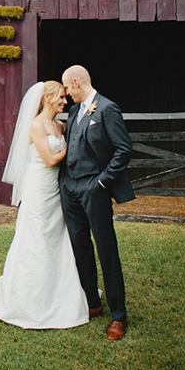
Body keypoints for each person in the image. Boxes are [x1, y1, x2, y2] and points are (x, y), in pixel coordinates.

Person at [0, 81, 89, 329]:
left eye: (66, 97)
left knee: (56, 235)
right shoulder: (36, 125)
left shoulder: (59, 125)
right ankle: (28, 297)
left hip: (56, 189)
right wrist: (73, 146)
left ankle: (59, 290)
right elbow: (51, 159)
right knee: (36, 235)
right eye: (61, 98)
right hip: (38, 187)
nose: (65, 102)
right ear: (46, 97)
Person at [60, 65, 135, 341]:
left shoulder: (107, 109)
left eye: (67, 88)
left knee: (106, 249)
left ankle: (119, 315)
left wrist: (102, 182)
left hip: (95, 188)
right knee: (80, 246)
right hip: (70, 189)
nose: (66, 94)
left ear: (76, 82)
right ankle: (93, 302)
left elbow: (123, 149)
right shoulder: (73, 112)